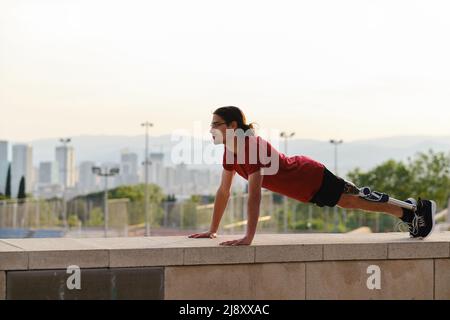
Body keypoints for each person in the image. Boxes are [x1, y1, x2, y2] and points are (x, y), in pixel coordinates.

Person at [188, 106, 436, 246]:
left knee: (356, 198)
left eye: (216, 124)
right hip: (303, 188)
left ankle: (416, 209)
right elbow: (223, 191)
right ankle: (410, 211)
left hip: (309, 177)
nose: (211, 129)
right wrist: (212, 230)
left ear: (232, 126)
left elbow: (254, 195)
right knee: (352, 201)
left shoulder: (250, 148)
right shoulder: (231, 152)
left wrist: (249, 237)